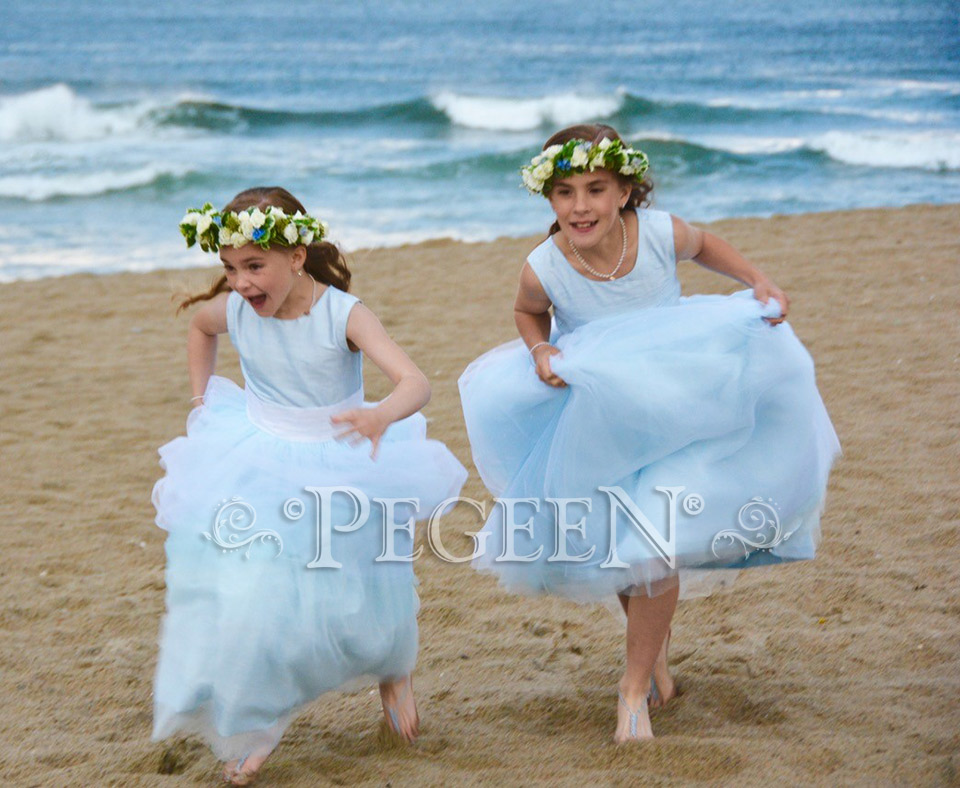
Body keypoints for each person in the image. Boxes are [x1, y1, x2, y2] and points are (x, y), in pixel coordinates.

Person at [458, 125, 840, 743]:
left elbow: (707, 246)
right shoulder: (544, 265)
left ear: (626, 190)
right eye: (563, 192)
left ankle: (631, 689)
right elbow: (527, 313)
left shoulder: (659, 233)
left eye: (596, 189)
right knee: (622, 541)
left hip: (679, 400)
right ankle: (652, 654)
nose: (580, 206)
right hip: (602, 415)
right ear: (547, 197)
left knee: (654, 542)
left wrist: (756, 281)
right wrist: (540, 349)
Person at [151, 187, 467, 784]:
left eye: (253, 266)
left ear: (296, 258)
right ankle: (260, 720)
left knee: (364, 582)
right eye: (229, 268)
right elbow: (200, 326)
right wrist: (201, 399)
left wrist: (380, 415)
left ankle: (393, 675)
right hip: (259, 458)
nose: (240, 283)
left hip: (339, 459)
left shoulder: (342, 314)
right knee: (258, 588)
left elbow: (415, 382)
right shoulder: (238, 310)